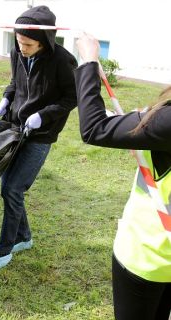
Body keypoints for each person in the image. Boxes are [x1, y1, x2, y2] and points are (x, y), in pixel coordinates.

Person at [75, 33, 171, 320]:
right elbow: (148, 122)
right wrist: (153, 145)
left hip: (148, 255)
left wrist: (89, 61)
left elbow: (93, 127)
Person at [0, 5, 77, 271]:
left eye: (29, 44)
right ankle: (24, 237)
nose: (22, 48)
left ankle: (5, 249)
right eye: (19, 41)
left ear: (44, 41)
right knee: (8, 187)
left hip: (41, 134)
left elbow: (71, 98)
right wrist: (6, 99)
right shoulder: (17, 52)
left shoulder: (63, 61)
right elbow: (15, 83)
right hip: (14, 129)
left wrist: (43, 116)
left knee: (12, 189)